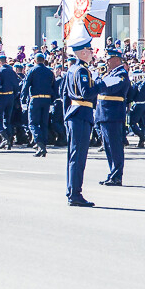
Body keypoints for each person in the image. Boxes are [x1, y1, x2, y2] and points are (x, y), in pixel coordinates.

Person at [63, 39, 100, 206]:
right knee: (78, 156)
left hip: (74, 113)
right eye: (90, 50)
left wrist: (66, 115)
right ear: (83, 52)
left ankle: (71, 189)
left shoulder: (72, 69)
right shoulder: (82, 71)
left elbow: (63, 94)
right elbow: (86, 93)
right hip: (81, 114)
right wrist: (100, 84)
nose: (92, 53)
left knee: (73, 155)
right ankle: (75, 194)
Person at [95, 48, 129, 180]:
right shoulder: (108, 74)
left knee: (115, 147)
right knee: (108, 146)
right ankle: (112, 172)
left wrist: (100, 83)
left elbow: (109, 89)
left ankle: (117, 175)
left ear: (116, 59)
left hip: (113, 114)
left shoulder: (121, 74)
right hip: (104, 114)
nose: (106, 62)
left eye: (108, 59)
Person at [0, 53, 20, 150]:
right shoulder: (12, 71)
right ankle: (9, 142)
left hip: (2, 97)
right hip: (10, 96)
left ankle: (4, 137)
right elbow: (16, 86)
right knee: (7, 120)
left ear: (0, 62)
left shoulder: (0, 71)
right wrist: (13, 96)